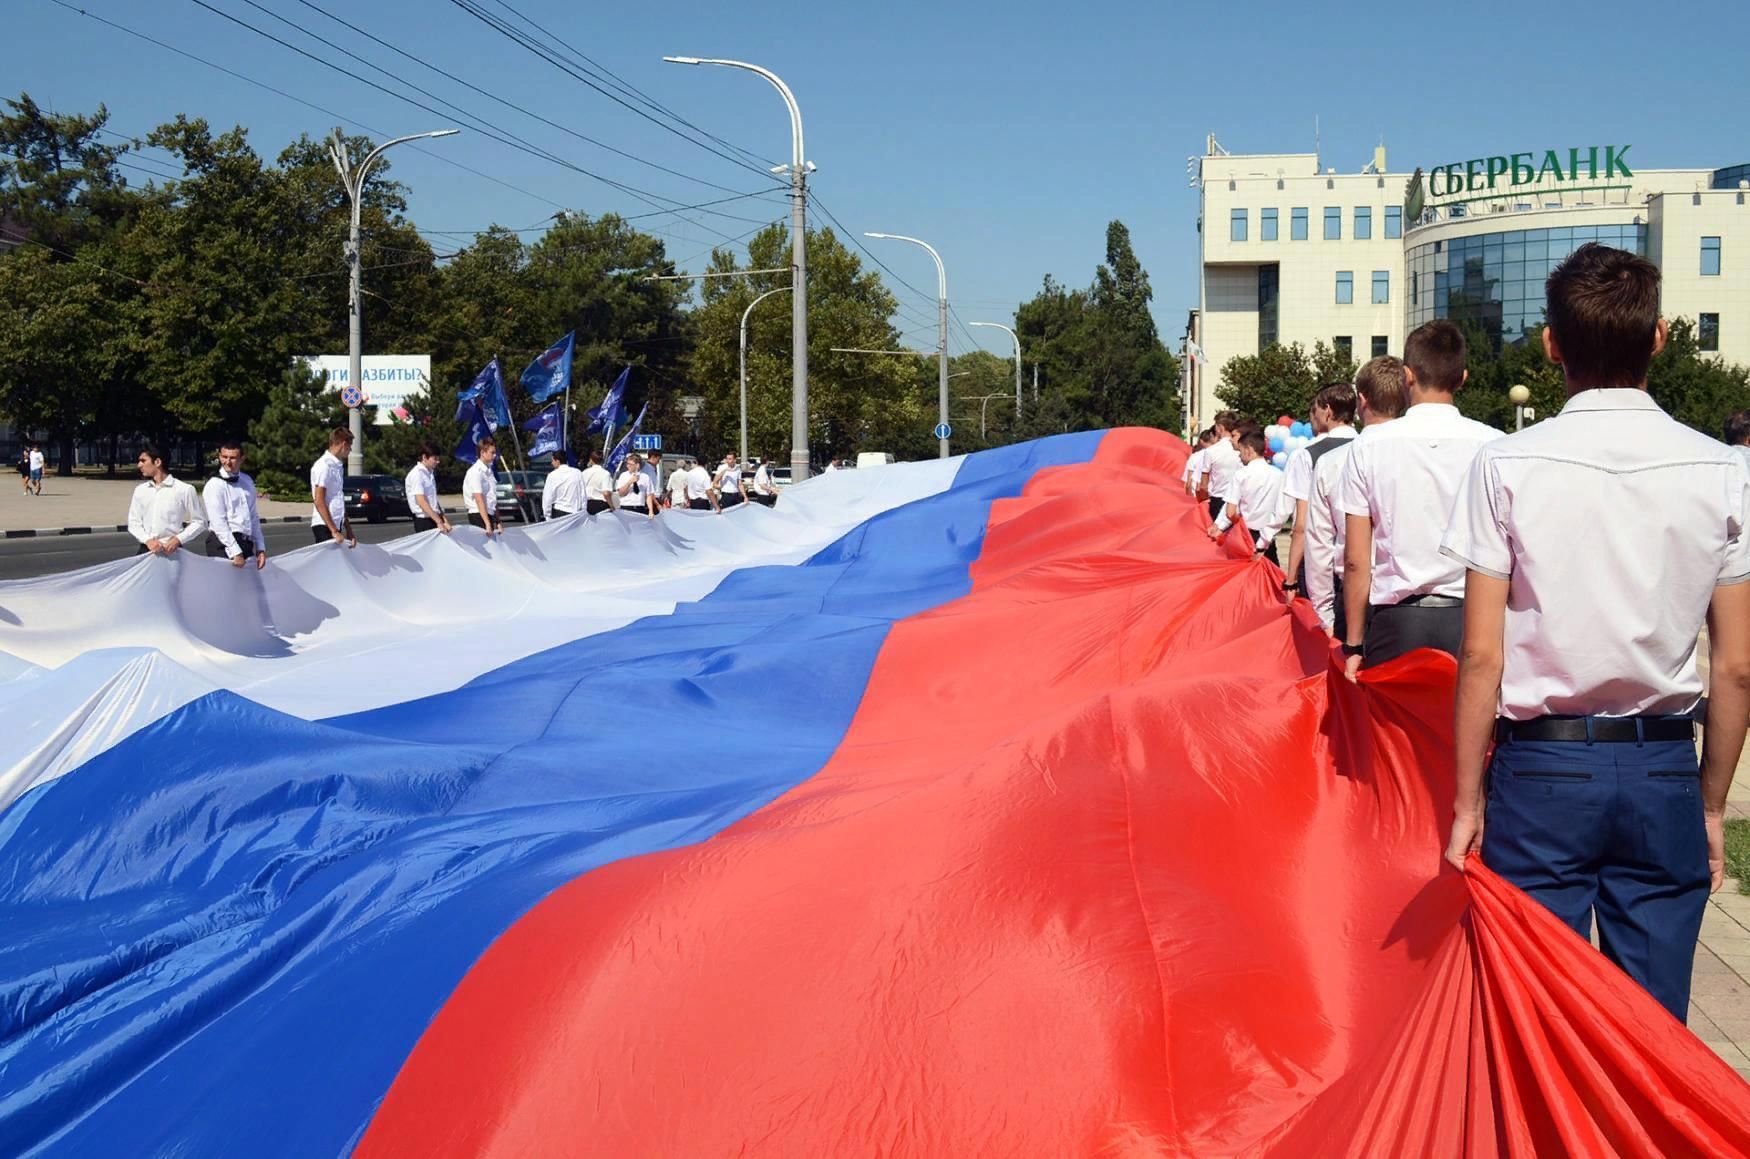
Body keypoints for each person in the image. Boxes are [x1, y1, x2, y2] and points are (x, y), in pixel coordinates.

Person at [1440, 243, 1750, 1024]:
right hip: (1661, 769)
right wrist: (1709, 804)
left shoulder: (1505, 464)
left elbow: (1481, 654)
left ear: (1550, 346)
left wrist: (1466, 801)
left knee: (1535, 1027)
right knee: (1651, 1038)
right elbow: (1738, 668)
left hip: (1543, 767)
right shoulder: (1722, 472)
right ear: (1660, 337)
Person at [1337, 320, 1501, 677]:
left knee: (1391, 733)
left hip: (1397, 622)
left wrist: (1353, 642)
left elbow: (1356, 560)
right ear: (1462, 378)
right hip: (1474, 620)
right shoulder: (1495, 445)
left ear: (1407, 376)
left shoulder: (1368, 446)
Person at [1307, 359, 1405, 639]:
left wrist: (1324, 609)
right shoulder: (1422, 455)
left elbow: (1319, 542)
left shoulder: (1331, 462)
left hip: (1352, 593)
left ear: (1362, 401)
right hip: (1413, 595)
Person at [1279, 383, 1358, 598]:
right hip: (1364, 561)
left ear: (1327, 412)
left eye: (1314, 410)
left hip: (1321, 563)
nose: (1311, 417)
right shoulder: (1368, 447)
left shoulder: (1307, 455)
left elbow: (1301, 525)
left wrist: (1291, 578)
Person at [1206, 429, 1284, 561]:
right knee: (1270, 576)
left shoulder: (1242, 474)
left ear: (1248, 450)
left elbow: (1230, 512)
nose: (1239, 456)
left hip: (1246, 535)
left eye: (1240, 451)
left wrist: (1224, 525)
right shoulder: (1279, 475)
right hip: (1268, 536)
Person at [127, 443, 206, 556]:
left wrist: (178, 539)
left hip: (173, 551)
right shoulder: (140, 490)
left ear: (157, 462)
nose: (139, 465)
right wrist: (147, 540)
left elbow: (200, 521)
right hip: (146, 550)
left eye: (143, 461)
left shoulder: (184, 489)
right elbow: (134, 522)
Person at [202, 439, 266, 569]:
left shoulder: (247, 481)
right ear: (219, 457)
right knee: (225, 587)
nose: (228, 462)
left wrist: (260, 547)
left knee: (251, 587)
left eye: (233, 458)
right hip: (222, 543)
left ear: (242, 458)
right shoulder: (214, 485)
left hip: (245, 541)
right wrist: (235, 551)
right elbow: (218, 521)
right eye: (224, 457)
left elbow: (253, 516)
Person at [310, 427, 356, 548]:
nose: (350, 450)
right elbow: (319, 500)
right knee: (327, 566)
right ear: (344, 444)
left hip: (335, 524)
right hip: (324, 526)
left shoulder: (337, 466)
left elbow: (338, 499)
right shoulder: (324, 466)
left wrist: (348, 530)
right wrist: (334, 531)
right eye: (350, 446)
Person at [1202, 412, 1243, 519]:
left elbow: (1203, 485)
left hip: (1217, 500)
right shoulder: (1242, 449)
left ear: (1220, 428)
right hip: (1239, 501)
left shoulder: (1211, 451)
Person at [405, 442, 452, 534]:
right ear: (424, 457)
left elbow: (433, 501)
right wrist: (439, 522)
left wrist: (444, 520)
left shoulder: (429, 474)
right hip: (424, 520)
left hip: (434, 518)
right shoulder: (417, 474)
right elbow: (421, 501)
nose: (438, 461)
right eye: (435, 458)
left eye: (438, 458)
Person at [463, 436, 501, 534]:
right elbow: (479, 499)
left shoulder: (489, 471)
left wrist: (498, 522)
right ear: (483, 453)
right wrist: (487, 524)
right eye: (492, 453)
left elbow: (492, 497)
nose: (494, 456)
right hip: (478, 514)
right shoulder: (475, 472)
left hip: (489, 513)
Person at [542, 450, 585, 519]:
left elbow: (548, 496)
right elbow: (582, 494)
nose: (552, 463)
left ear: (557, 461)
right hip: (575, 511)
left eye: (553, 460)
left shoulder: (552, 475)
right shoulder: (577, 473)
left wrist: (547, 514)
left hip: (559, 511)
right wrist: (583, 510)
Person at [1182, 429, 1217, 499]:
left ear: (1201, 441)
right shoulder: (1219, 454)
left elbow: (1188, 483)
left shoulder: (1195, 456)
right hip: (1214, 495)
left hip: (1198, 496)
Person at [580, 450, 615, 515]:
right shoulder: (605, 473)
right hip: (600, 505)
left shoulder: (584, 472)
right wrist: (612, 506)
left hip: (586, 504)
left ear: (591, 460)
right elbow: (606, 493)